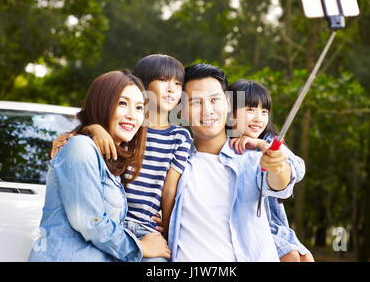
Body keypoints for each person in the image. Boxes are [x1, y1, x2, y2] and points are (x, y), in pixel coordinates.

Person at [50, 55, 192, 261]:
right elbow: (91, 152)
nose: (171, 89)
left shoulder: (174, 135)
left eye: (178, 84)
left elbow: (170, 188)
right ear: (142, 86)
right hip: (115, 222)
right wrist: (92, 129)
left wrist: (169, 230)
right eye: (163, 80)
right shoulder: (128, 131)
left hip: (145, 226)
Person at [167, 63, 305, 261]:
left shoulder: (250, 157)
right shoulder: (172, 161)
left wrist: (278, 166)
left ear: (228, 104)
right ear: (180, 110)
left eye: (215, 100)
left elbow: (278, 184)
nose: (207, 110)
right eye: (196, 102)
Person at [28, 70, 170, 262]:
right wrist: (140, 247)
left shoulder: (110, 163)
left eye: (138, 108)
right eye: (122, 103)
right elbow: (90, 222)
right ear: (102, 104)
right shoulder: (80, 147)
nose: (132, 116)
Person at [227, 79, 314, 262]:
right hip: (245, 226)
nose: (259, 118)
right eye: (250, 109)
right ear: (229, 111)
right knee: (290, 256)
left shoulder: (266, 141)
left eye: (264, 111)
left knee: (306, 257)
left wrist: (262, 145)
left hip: (272, 224)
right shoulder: (222, 146)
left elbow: (297, 167)